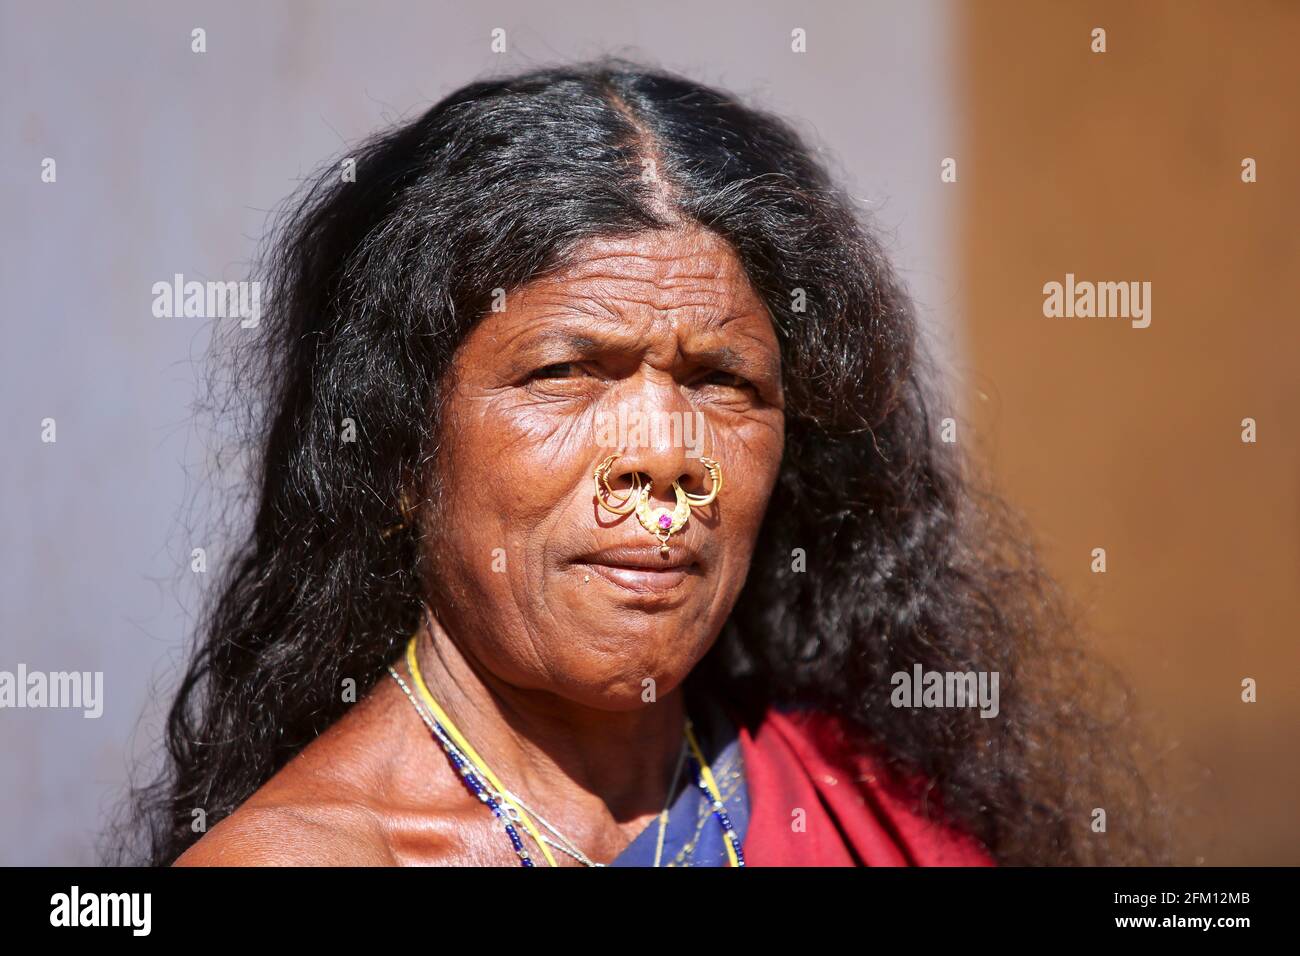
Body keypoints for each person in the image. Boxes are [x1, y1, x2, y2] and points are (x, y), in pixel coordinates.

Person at [116, 60, 1160, 867]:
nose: (665, 454)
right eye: (568, 370)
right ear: (397, 453)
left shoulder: (868, 806)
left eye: (721, 382)